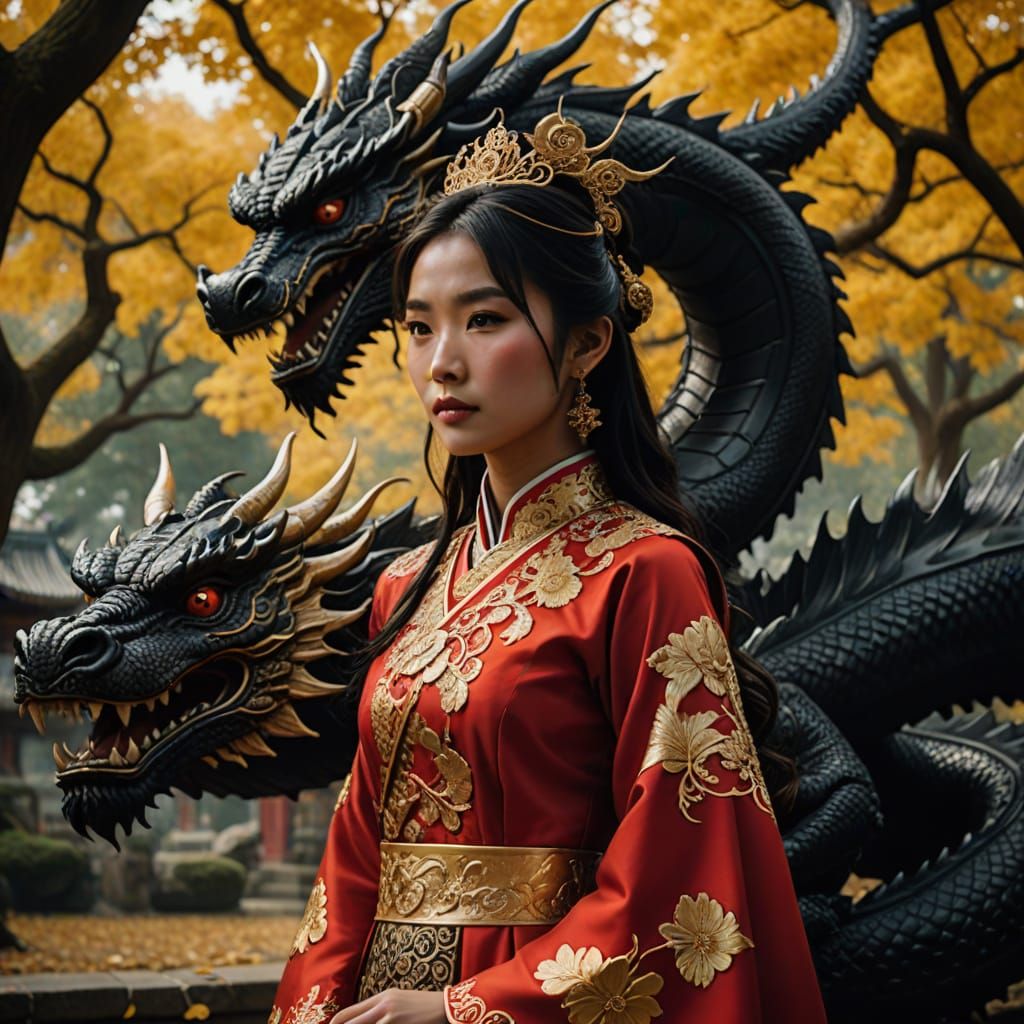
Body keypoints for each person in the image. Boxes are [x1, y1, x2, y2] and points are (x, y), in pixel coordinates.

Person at [269, 106, 827, 1024]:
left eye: (484, 320)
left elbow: (677, 868)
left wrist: (462, 1008)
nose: (441, 364)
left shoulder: (646, 573)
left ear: (586, 343)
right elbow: (354, 856)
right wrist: (317, 1005)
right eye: (419, 328)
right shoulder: (407, 586)